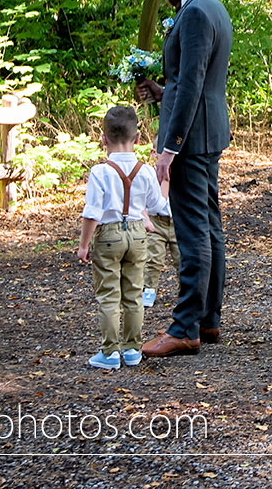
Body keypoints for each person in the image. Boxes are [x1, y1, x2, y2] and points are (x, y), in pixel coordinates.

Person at [136, 0, 233, 358]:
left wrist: (169, 148)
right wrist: (161, 92)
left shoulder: (193, 14)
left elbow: (193, 83)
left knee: (193, 233)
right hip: (208, 133)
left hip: (191, 141)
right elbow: (188, 82)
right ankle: (208, 319)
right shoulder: (214, 8)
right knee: (209, 227)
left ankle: (185, 328)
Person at [78, 105, 169, 370]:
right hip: (139, 235)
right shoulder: (145, 171)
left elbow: (92, 212)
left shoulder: (100, 172)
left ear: (104, 139)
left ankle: (109, 353)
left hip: (108, 236)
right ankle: (132, 349)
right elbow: (157, 206)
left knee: (108, 295)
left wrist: (84, 245)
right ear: (138, 138)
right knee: (133, 294)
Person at [142, 191, 179, 308]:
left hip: (179, 219)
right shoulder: (152, 173)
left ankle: (185, 292)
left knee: (182, 258)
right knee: (153, 258)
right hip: (156, 220)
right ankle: (149, 290)